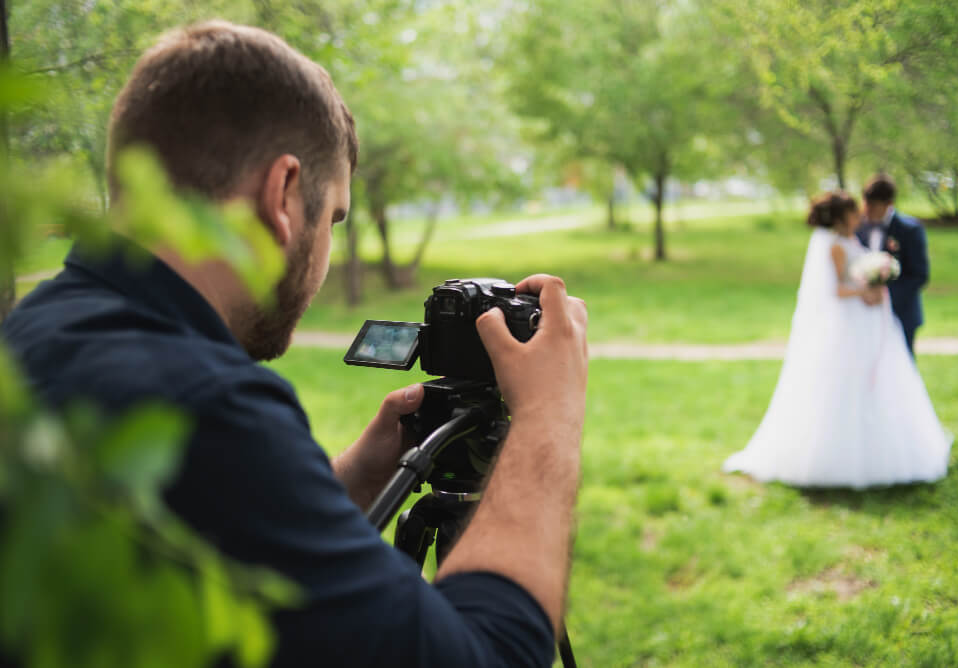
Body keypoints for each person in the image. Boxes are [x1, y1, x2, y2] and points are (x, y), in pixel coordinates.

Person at [1, 22, 589, 667]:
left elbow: (221, 546)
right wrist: (546, 419)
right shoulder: (202, 406)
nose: (328, 253)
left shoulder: (37, 334)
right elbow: (486, 657)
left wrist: (354, 480)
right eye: (333, 217)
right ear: (282, 196)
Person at [722, 191, 951, 489]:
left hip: (864, 321)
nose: (860, 217)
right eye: (855, 213)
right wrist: (866, 291)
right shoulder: (834, 245)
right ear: (843, 217)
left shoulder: (850, 240)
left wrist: (873, 285)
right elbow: (837, 290)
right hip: (847, 325)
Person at [856, 174, 930, 356]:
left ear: (889, 204)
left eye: (873, 205)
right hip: (864, 312)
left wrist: (885, 296)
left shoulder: (910, 230)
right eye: (866, 203)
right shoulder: (858, 227)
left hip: (901, 313)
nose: (867, 210)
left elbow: (919, 274)